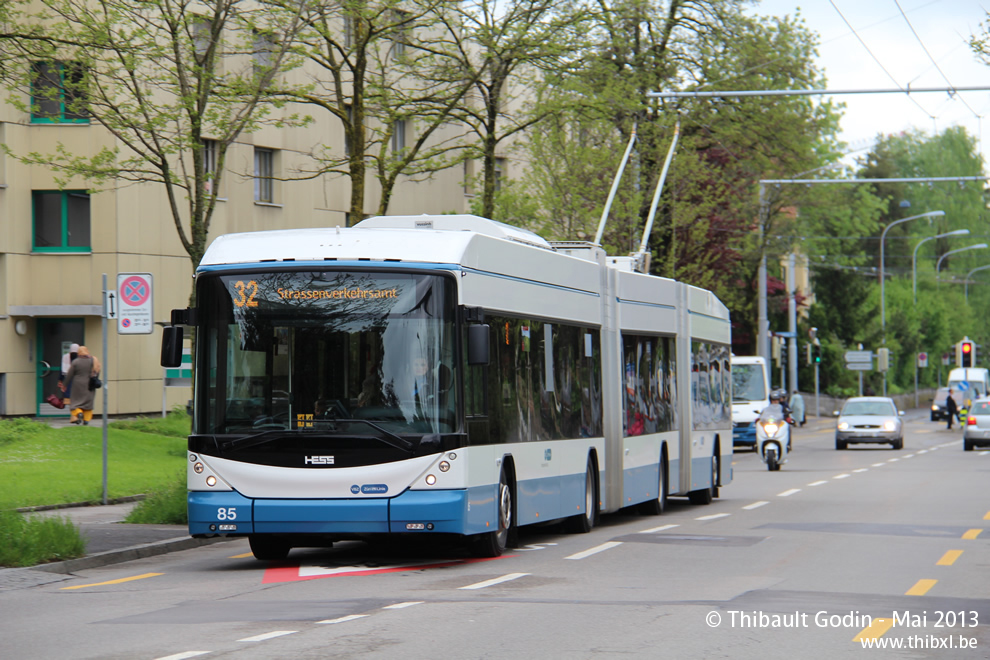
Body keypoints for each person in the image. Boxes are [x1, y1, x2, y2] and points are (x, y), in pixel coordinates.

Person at [64, 345, 100, 425]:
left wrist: (64, 384)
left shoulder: (76, 362)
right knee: (88, 404)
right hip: (90, 385)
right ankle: (86, 420)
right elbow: (97, 371)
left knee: (75, 402)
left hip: (78, 385)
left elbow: (69, 375)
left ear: (79, 353)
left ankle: (78, 412)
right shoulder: (93, 360)